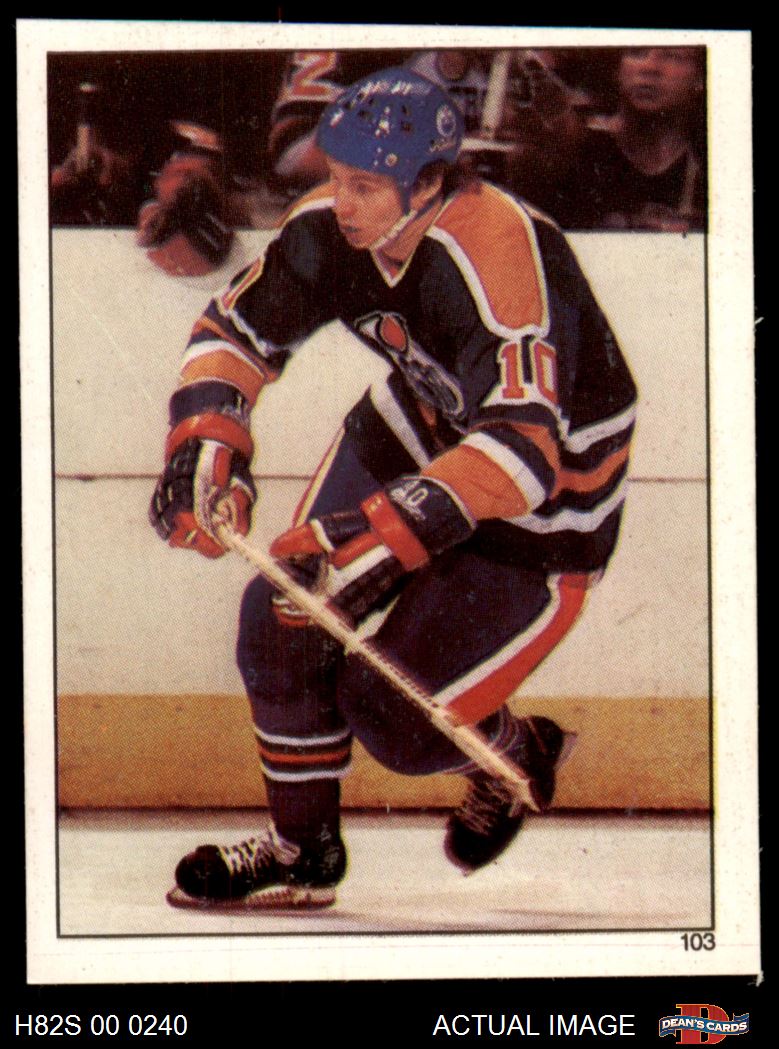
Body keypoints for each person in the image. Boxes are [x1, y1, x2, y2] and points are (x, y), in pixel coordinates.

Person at [150, 67, 637, 909]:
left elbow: (522, 455)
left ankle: (516, 748)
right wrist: (205, 438)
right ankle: (302, 853)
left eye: (365, 186)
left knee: (396, 718)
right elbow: (233, 328)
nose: (340, 203)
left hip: (552, 493)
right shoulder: (329, 225)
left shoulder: (497, 253)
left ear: (431, 183)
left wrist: (368, 534)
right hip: (425, 419)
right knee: (280, 617)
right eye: (336, 176)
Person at [546, 46, 707, 231]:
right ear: (617, 70)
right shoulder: (573, 152)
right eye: (636, 53)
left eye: (672, 56)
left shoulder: (710, 162)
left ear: (700, 78)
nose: (649, 67)